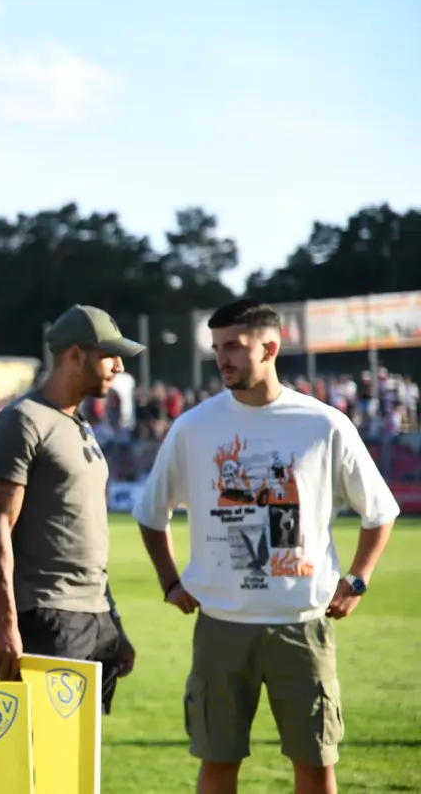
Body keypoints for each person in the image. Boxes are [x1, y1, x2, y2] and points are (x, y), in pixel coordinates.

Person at [132, 299, 399, 794]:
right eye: (217, 348)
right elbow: (151, 514)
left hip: (302, 625)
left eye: (234, 345)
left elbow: (380, 511)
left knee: (316, 763)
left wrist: (358, 578)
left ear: (270, 347)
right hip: (221, 626)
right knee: (217, 763)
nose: (223, 358)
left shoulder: (324, 424)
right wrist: (170, 581)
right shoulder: (194, 427)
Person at [0, 304, 140, 714]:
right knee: (47, 759)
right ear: (74, 355)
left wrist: (114, 622)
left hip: (95, 615)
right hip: (50, 617)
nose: (119, 366)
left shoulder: (79, 424)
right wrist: (5, 625)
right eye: (109, 355)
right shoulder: (23, 421)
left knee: (83, 764)